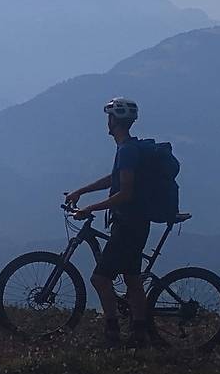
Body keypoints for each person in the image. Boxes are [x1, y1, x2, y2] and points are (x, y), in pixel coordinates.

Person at [64, 97, 154, 349]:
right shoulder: (128, 148)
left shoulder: (126, 150)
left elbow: (125, 192)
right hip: (137, 222)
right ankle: (139, 333)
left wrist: (89, 208)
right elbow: (114, 179)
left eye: (109, 117)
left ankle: (113, 332)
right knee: (133, 279)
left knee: (100, 279)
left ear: (114, 120)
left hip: (128, 224)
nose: (108, 121)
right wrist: (82, 191)